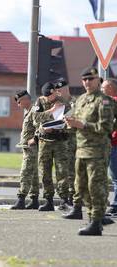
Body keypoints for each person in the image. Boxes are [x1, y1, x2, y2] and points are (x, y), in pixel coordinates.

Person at [63, 67, 114, 236]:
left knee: (96, 187)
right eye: (84, 79)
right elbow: (77, 123)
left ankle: (96, 221)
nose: (87, 82)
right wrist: (70, 124)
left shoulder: (104, 101)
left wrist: (82, 125)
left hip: (97, 151)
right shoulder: (81, 100)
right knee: (81, 187)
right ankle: (93, 217)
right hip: (81, 149)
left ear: (98, 80)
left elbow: (106, 127)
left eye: (90, 79)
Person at [33, 82, 70, 211]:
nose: (49, 98)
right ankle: (48, 200)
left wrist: (61, 125)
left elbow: (71, 119)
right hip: (45, 142)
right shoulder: (40, 101)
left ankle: (65, 200)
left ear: (55, 91)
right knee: (45, 172)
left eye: (51, 95)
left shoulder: (63, 102)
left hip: (60, 141)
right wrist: (51, 111)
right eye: (47, 96)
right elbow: (36, 117)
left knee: (62, 172)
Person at [11, 90, 40, 210]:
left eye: (19, 102)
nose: (18, 105)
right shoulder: (28, 112)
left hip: (32, 148)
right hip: (27, 148)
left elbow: (40, 125)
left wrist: (35, 139)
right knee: (33, 175)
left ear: (25, 100)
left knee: (25, 172)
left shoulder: (34, 110)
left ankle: (21, 199)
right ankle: (34, 200)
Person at [54, 78, 76, 206]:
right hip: (59, 142)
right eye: (58, 90)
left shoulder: (76, 103)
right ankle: (63, 197)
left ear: (67, 89)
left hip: (72, 141)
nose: (59, 92)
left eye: (61, 89)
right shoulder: (56, 104)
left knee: (72, 171)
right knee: (60, 170)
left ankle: (72, 197)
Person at [101, 79, 117, 215]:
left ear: (111, 87)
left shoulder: (113, 101)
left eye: (103, 87)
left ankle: (115, 206)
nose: (101, 89)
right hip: (112, 143)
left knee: (115, 177)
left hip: (114, 143)